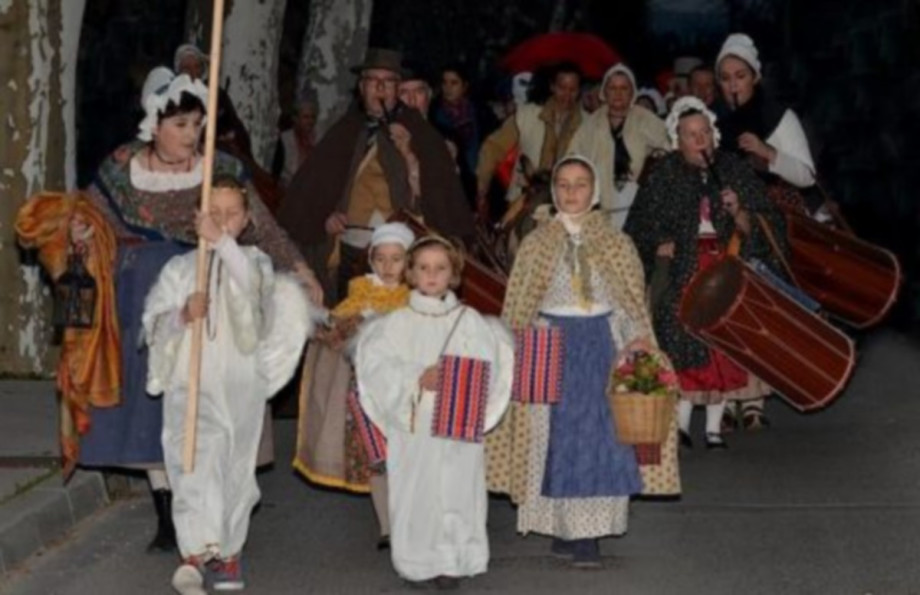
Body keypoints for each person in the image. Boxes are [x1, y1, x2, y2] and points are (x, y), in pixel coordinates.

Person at [48, 66, 319, 555]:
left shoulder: (221, 168)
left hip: (214, 291)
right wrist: (83, 234)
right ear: (154, 124)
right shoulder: (121, 168)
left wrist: (301, 271)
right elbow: (86, 219)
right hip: (145, 295)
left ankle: (208, 506)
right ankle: (167, 511)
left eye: (197, 125)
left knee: (208, 401)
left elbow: (263, 228)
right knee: (153, 408)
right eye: (180, 126)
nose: (191, 136)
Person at [486, 155, 680, 568]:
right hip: (550, 346)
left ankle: (588, 535)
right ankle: (561, 525)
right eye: (564, 184)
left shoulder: (616, 242)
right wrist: (515, 347)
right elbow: (519, 302)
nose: (572, 192)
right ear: (554, 191)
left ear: (595, 193)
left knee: (599, 438)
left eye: (581, 184)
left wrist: (636, 343)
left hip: (601, 346)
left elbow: (630, 302)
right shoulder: (537, 243)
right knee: (551, 440)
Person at [143, 176, 311, 593]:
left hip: (238, 381)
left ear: (247, 219)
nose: (222, 220)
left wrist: (222, 243)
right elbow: (153, 325)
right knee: (192, 460)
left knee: (234, 468)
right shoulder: (179, 269)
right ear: (198, 218)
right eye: (213, 213)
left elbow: (255, 297)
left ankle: (228, 553)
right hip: (190, 380)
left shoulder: (254, 261)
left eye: (231, 213)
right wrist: (181, 315)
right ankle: (195, 553)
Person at [624, 97, 786, 449]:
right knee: (680, 336)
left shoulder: (732, 169)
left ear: (713, 136)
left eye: (704, 133)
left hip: (726, 268)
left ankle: (713, 428)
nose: (699, 141)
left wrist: (739, 210)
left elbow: (767, 223)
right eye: (690, 135)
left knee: (724, 345)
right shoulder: (664, 175)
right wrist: (657, 245)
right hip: (683, 269)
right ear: (677, 141)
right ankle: (680, 424)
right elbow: (639, 226)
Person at [355, 236, 513, 589]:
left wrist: (460, 376)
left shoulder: (469, 320)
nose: (431, 275)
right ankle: (416, 559)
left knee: (458, 486)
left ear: (453, 274)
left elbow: (489, 364)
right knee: (417, 488)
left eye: (440, 268)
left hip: (457, 421)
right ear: (410, 272)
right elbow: (378, 368)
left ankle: (453, 559)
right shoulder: (396, 323)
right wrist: (416, 378)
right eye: (423, 268)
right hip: (414, 425)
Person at [280, 48, 474, 304]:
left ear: (397, 88)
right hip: (350, 249)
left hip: (399, 257)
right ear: (362, 87)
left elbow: (438, 199)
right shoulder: (346, 130)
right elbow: (311, 192)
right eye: (373, 80)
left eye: (389, 81)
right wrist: (324, 218)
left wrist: (408, 155)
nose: (380, 87)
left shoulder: (421, 133)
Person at [714, 33, 822, 428]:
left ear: (754, 77)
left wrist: (768, 152)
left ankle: (758, 395)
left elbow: (807, 175)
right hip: (735, 217)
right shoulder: (719, 123)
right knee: (729, 304)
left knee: (765, 305)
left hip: (777, 217)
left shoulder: (779, 116)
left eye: (740, 76)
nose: (732, 85)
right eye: (725, 78)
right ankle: (730, 392)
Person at [294, 222, 415, 551]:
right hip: (367, 393)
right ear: (372, 260)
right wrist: (336, 325)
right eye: (381, 258)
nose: (388, 267)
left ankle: (408, 519)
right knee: (378, 458)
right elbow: (334, 333)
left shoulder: (418, 298)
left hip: (408, 395)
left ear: (410, 262)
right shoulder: (360, 295)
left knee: (408, 457)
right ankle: (387, 527)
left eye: (397, 259)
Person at [476, 62, 584, 220]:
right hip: (525, 199)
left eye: (572, 89)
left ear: (579, 91)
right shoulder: (527, 115)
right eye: (562, 88)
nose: (567, 95)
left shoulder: (588, 125)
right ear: (552, 86)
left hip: (569, 205)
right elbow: (492, 148)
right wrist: (482, 191)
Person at [570, 64, 671, 229]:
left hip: (640, 205)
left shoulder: (646, 119)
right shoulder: (590, 124)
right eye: (613, 88)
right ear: (604, 92)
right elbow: (574, 159)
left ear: (632, 92)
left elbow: (669, 150)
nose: (618, 93)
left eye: (624, 88)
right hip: (599, 204)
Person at [274, 97, 317, 188]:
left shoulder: (318, 138)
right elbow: (276, 172)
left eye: (312, 117)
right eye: (306, 117)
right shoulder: (285, 139)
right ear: (295, 119)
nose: (310, 121)